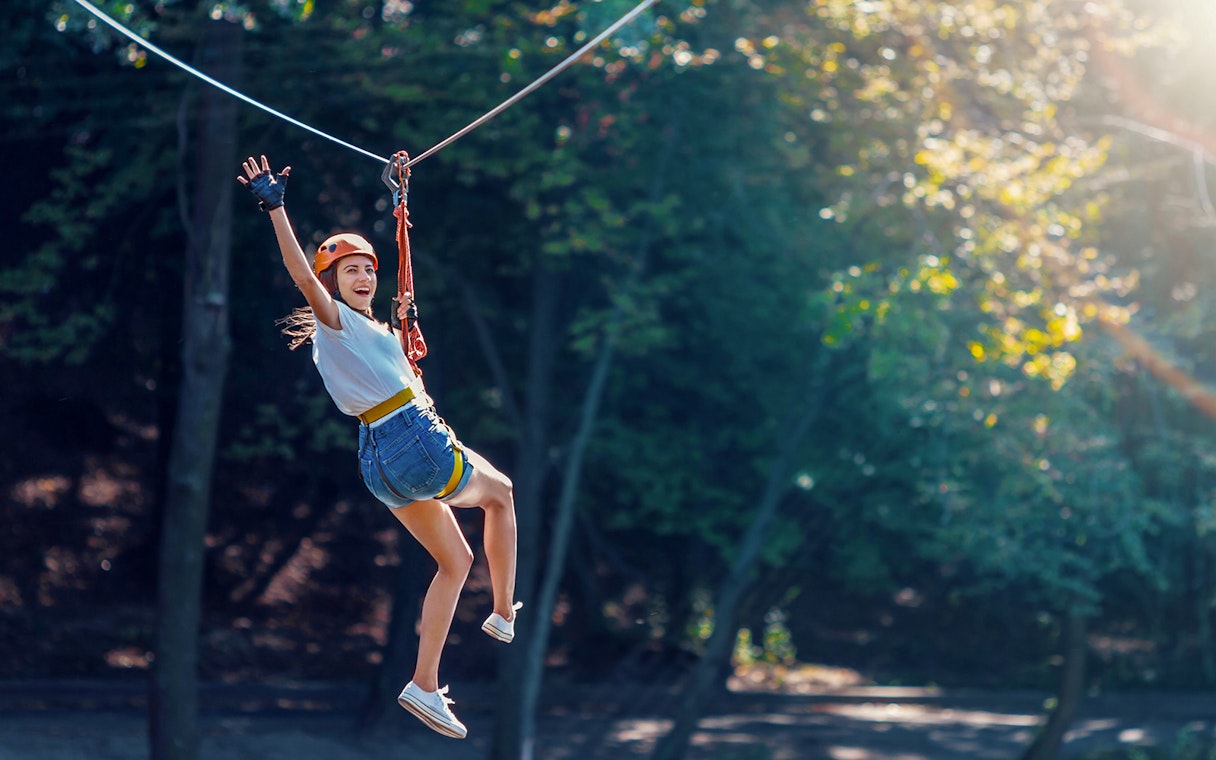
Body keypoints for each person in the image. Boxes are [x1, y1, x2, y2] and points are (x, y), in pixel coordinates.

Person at [237, 154, 520, 740]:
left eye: (368, 268)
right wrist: (276, 209)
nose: (363, 277)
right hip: (410, 441)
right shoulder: (335, 321)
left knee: (456, 561)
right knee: (503, 494)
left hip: (377, 462)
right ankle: (502, 613)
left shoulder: (378, 332)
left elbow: (397, 368)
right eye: (349, 272)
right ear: (334, 285)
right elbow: (300, 274)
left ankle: (423, 684)